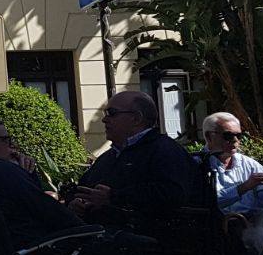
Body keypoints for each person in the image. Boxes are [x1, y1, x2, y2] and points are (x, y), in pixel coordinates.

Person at [68, 91, 197, 233]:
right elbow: (82, 188)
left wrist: (114, 197)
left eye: (112, 113)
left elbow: (173, 194)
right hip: (99, 236)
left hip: (147, 242)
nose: (104, 120)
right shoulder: (108, 157)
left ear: (136, 118)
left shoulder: (165, 150)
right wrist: (77, 203)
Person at [0, 118, 82, 249]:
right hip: (38, 252)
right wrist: (92, 230)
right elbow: (48, 211)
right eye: (5, 140)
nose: (13, 146)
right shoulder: (1, 171)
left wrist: (26, 173)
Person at [200, 111, 263, 255]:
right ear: (210, 137)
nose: (235, 141)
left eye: (239, 136)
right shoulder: (197, 163)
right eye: (228, 136)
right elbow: (208, 202)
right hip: (211, 223)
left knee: (259, 215)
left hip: (247, 226)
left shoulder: (251, 165)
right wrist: (244, 187)